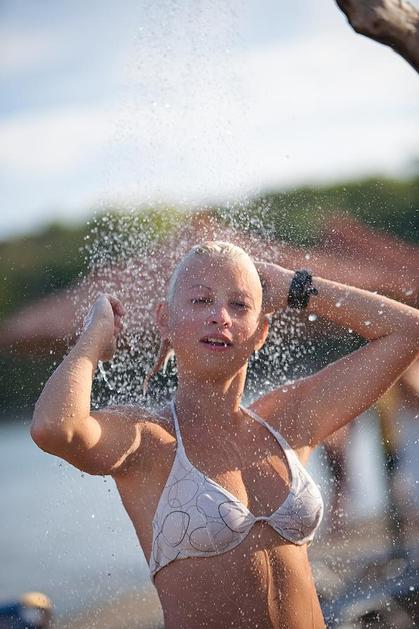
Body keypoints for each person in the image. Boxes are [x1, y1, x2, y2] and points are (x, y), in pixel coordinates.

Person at [30, 241, 419, 629]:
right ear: (164, 320)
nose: (220, 316)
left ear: (261, 331)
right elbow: (54, 427)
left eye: (239, 305)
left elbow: (408, 331)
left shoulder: (287, 422)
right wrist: (94, 338)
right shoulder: (147, 441)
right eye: (201, 301)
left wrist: (295, 286)